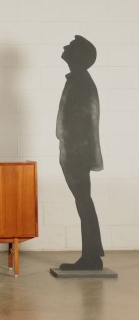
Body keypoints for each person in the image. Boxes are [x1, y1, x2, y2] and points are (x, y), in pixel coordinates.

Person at [56, 35, 104, 270]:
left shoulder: (82, 82)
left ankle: (91, 258)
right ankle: (92, 255)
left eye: (70, 46)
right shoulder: (78, 80)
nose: (65, 47)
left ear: (78, 56)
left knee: (84, 201)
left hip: (78, 154)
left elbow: (85, 124)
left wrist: (73, 154)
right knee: (83, 202)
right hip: (75, 152)